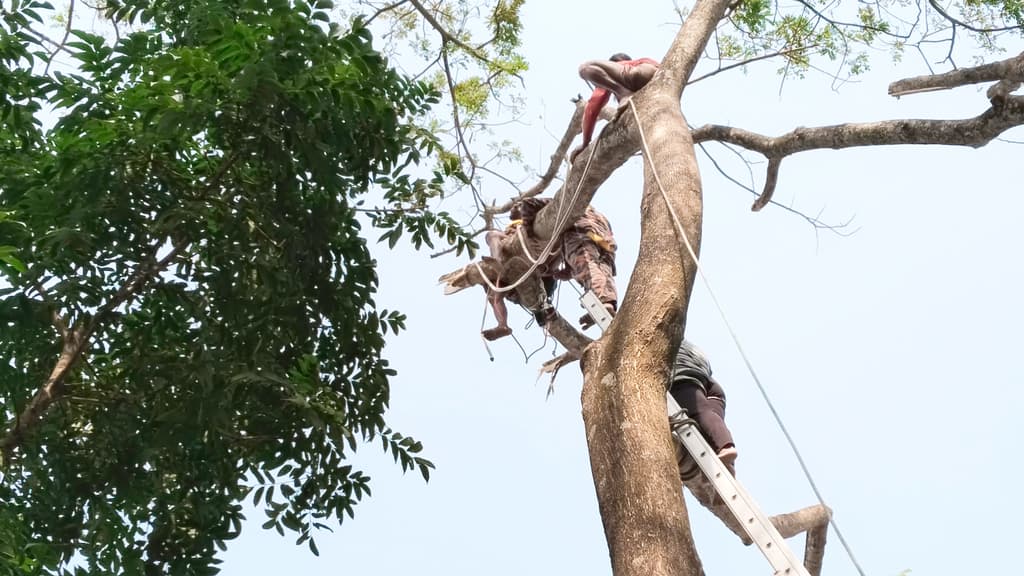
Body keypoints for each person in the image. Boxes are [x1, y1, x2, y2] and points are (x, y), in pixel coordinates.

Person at [571, 53, 660, 164]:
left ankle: (625, 93)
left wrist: (585, 143)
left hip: (638, 74)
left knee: (584, 68)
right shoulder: (643, 61)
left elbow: (592, 110)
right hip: (656, 76)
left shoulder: (621, 68)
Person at [669, 339, 738, 475]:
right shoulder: (690, 347)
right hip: (710, 387)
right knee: (708, 423)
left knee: (700, 413)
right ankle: (727, 466)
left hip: (683, 379)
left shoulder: (666, 340)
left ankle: (726, 446)